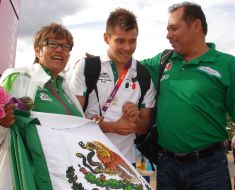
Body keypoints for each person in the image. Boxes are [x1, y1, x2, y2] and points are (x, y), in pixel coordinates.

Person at [141, 2, 235, 190]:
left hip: (209, 169)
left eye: (174, 28)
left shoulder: (227, 64)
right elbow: (128, 66)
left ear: (196, 25)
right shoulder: (164, 60)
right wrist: (94, 64)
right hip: (167, 166)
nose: (168, 35)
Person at [0, 23, 85, 189]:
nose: (60, 50)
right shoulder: (19, 77)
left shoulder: (67, 90)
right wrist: (2, 124)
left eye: (65, 46)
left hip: (63, 177)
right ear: (38, 50)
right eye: (52, 44)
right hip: (28, 175)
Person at [70, 8, 156, 165]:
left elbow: (145, 126)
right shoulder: (86, 67)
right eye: (120, 40)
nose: (127, 47)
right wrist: (110, 127)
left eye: (132, 40)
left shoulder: (143, 74)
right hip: (88, 161)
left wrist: (134, 121)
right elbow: (72, 120)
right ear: (106, 38)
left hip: (127, 164)